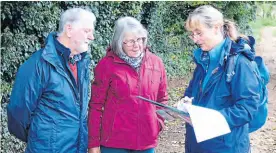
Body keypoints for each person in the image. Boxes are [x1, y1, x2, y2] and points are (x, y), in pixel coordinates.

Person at [7, 8, 96, 153]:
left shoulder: (82, 63)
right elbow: (17, 114)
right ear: (69, 29)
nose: (92, 37)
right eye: (87, 31)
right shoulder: (38, 64)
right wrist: (40, 138)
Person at [183, 5, 260, 153]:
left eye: (199, 33)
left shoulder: (240, 62)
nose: (195, 39)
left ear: (216, 28)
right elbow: (191, 92)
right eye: (192, 34)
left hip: (227, 146)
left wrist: (212, 119)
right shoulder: (203, 59)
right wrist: (185, 103)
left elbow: (248, 108)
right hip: (197, 144)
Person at [88, 16, 168, 153]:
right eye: (130, 41)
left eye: (140, 39)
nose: (137, 45)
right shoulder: (107, 65)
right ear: (119, 43)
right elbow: (95, 106)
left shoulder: (156, 63)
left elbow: (162, 100)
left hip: (146, 142)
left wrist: (157, 123)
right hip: (114, 143)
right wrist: (93, 144)